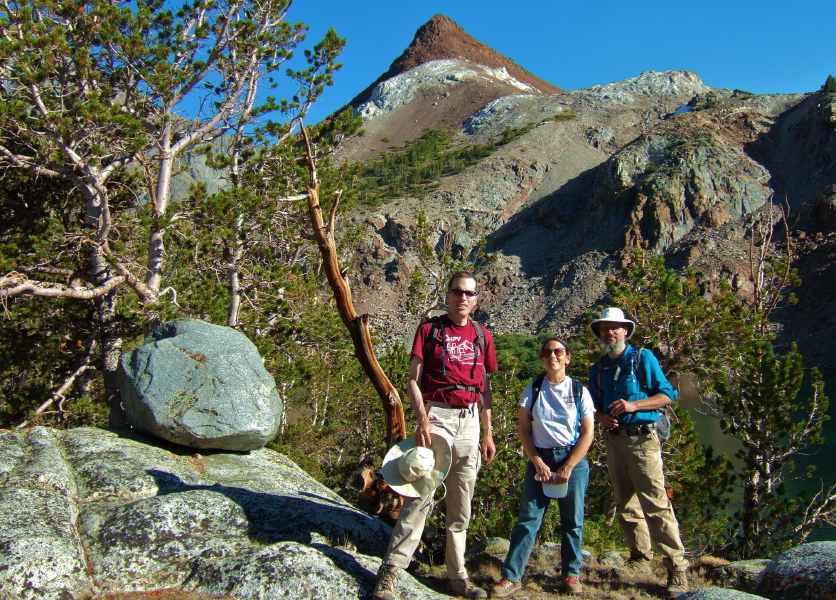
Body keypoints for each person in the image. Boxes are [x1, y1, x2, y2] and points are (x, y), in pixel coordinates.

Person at [373, 271, 497, 600]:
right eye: (457, 292)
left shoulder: (482, 335)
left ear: (476, 299)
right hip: (437, 416)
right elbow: (413, 379)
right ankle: (392, 571)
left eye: (469, 293)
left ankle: (458, 578)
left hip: (470, 422)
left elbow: (484, 388)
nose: (463, 298)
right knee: (419, 494)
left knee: (461, 505)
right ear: (448, 295)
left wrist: (488, 432)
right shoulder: (429, 330)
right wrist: (422, 419)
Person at [587, 307, 689, 599]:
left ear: (626, 331)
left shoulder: (642, 358)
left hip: (643, 441)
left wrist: (634, 405)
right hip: (614, 440)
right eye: (605, 329)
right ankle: (640, 557)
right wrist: (600, 416)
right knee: (626, 503)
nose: (610, 333)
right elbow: (593, 405)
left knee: (656, 504)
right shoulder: (599, 368)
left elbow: (668, 394)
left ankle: (676, 568)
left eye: (615, 327)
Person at [491, 337, 594, 598]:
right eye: (548, 352)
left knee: (573, 522)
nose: (553, 356)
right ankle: (511, 577)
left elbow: (588, 431)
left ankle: (571, 574)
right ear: (542, 358)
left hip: (572, 460)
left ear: (568, 357)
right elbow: (524, 428)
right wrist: (537, 461)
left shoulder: (578, 390)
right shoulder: (534, 389)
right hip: (541, 459)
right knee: (528, 519)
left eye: (558, 351)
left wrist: (570, 465)